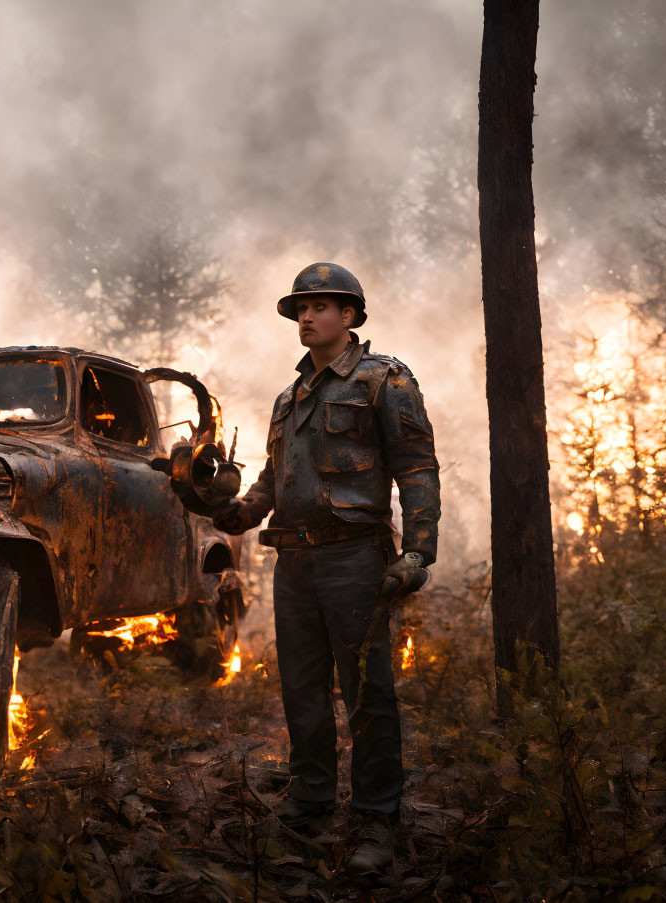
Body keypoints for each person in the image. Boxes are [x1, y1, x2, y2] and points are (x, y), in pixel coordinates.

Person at [213, 262, 441, 875]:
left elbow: (417, 467)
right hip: (295, 561)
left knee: (367, 692)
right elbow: (271, 479)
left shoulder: (383, 381)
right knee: (302, 688)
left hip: (353, 558)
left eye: (320, 306)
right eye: (300, 308)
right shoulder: (289, 398)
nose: (306, 316)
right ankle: (311, 797)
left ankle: (375, 815)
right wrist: (228, 510)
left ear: (350, 316)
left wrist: (418, 552)